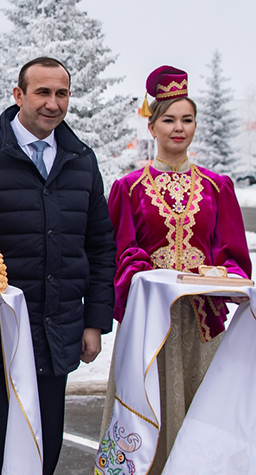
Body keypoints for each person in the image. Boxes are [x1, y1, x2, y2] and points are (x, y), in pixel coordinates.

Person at [0, 56, 116, 475]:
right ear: (18, 95)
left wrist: (94, 321)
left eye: (62, 93)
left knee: (44, 450)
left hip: (56, 333)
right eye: (42, 92)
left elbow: (99, 246)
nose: (53, 104)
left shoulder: (81, 158)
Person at [101, 65, 251, 473]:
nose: (178, 128)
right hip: (153, 321)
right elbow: (120, 253)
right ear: (152, 127)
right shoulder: (128, 188)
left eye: (187, 120)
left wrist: (228, 279)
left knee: (202, 420)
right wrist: (151, 278)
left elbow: (234, 256)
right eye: (168, 119)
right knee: (148, 411)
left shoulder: (217, 187)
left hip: (201, 325)